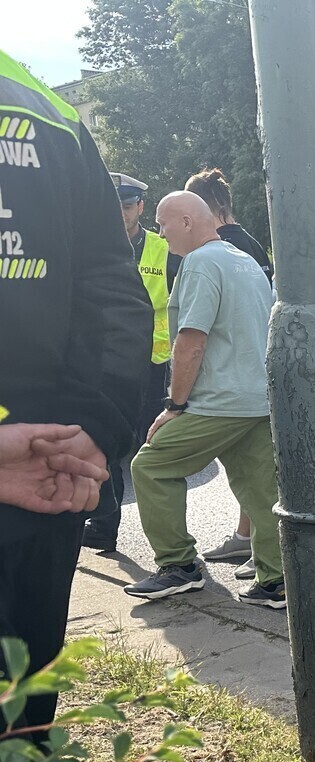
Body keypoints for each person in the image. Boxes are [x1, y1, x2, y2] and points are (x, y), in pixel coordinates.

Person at [0, 47, 154, 762]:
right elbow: (114, 288)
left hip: (31, 478)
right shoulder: (47, 110)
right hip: (38, 492)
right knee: (18, 753)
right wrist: (92, 430)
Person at [123, 191, 285, 609]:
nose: (161, 233)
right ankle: (276, 582)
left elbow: (191, 339)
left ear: (187, 222)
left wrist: (174, 406)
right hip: (257, 401)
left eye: (163, 224)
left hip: (219, 402)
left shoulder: (199, 263)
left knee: (151, 467)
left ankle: (179, 566)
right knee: (260, 492)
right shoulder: (244, 262)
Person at [184, 167, 272, 577]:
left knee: (151, 466)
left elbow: (204, 327)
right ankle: (250, 541)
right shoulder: (249, 244)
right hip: (257, 375)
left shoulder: (215, 251)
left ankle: (256, 548)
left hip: (228, 379)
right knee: (252, 469)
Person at [81, 173, 176, 552]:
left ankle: (171, 545)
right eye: (115, 204)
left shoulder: (163, 248)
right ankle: (105, 527)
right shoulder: (93, 246)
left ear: (140, 207)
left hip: (155, 365)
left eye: (127, 204)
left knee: (153, 451)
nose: (120, 212)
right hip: (107, 363)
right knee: (107, 444)